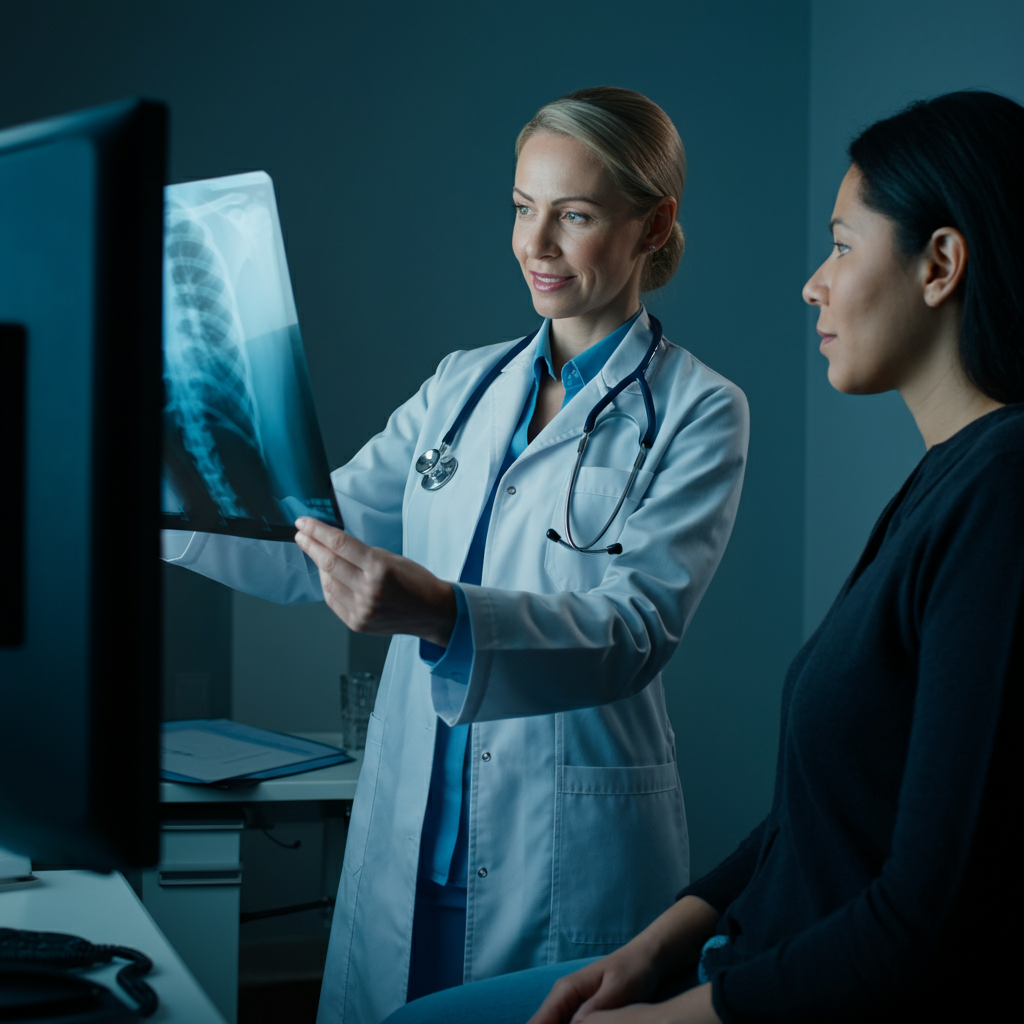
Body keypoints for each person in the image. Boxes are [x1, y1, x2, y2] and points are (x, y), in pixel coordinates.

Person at [376, 89, 1024, 1024]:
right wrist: (658, 945)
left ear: (941, 265)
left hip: (760, 983)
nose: (814, 282)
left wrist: (675, 1017)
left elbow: (924, 914)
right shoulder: (944, 484)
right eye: (524, 209)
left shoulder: (996, 496)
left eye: (842, 246)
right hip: (732, 949)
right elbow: (825, 815)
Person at [162, 86, 749, 1024]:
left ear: (654, 225)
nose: (536, 244)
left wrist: (442, 611)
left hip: (564, 855)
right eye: (523, 207)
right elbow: (305, 541)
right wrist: (165, 485)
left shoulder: (699, 410)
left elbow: (636, 627)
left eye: (576, 214)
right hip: (411, 837)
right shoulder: (460, 387)